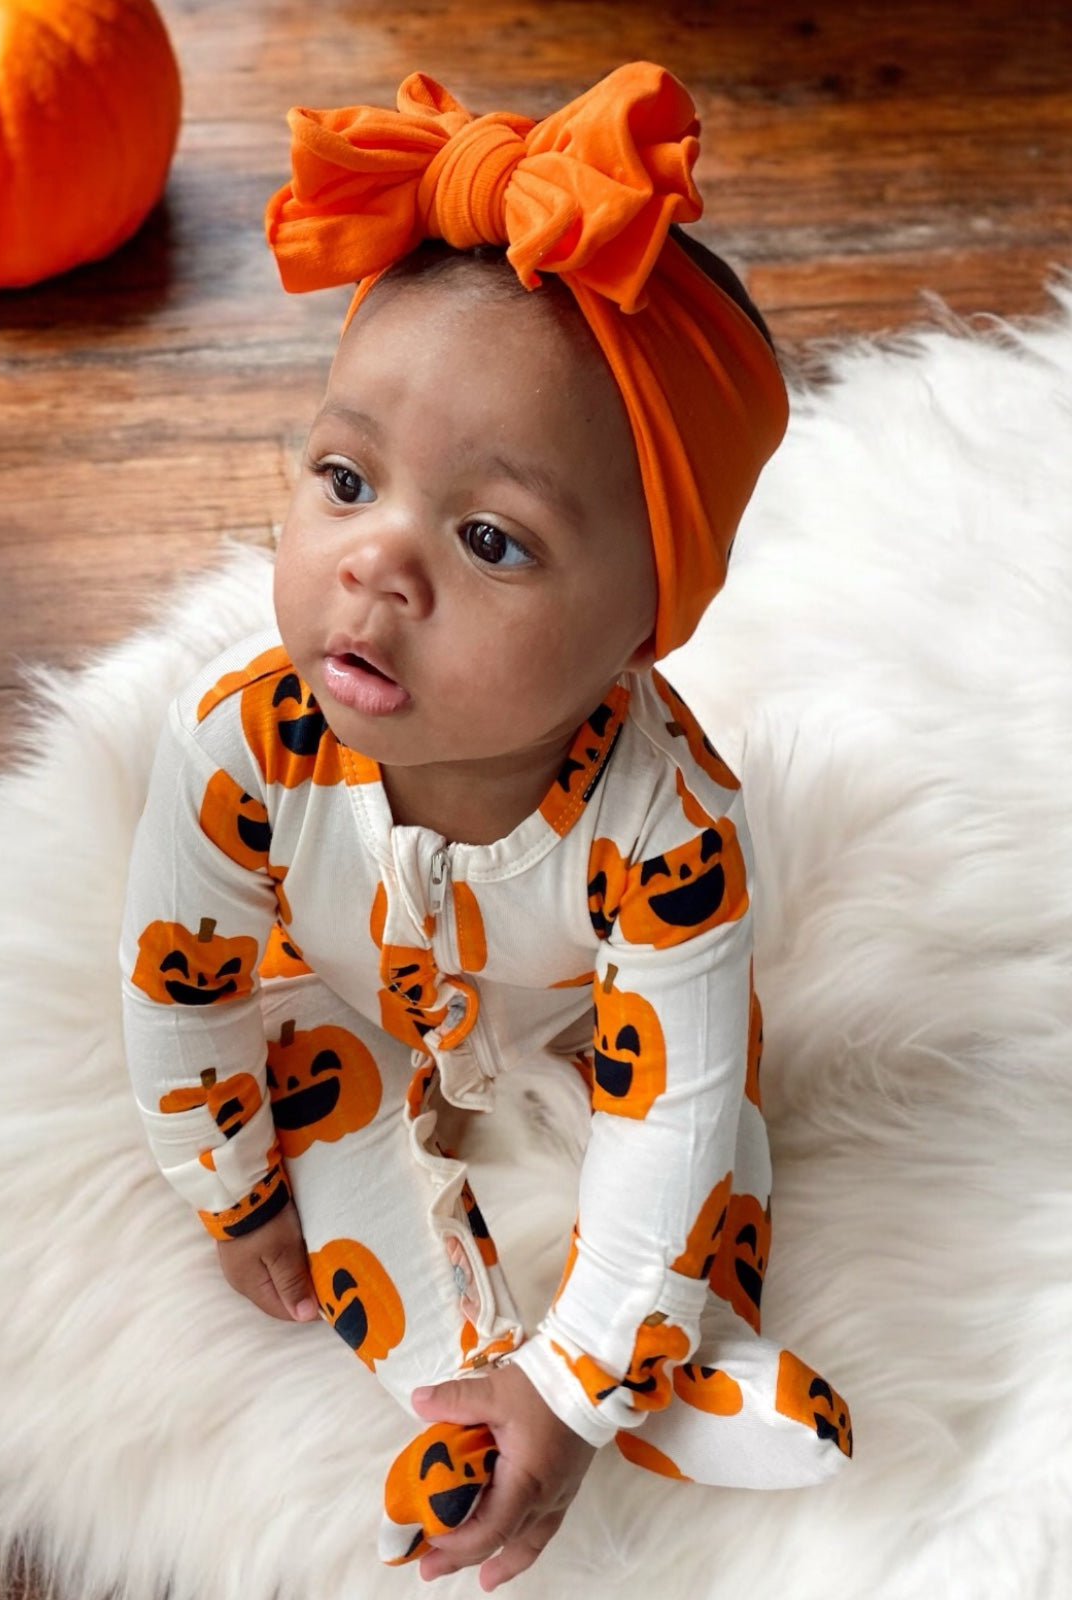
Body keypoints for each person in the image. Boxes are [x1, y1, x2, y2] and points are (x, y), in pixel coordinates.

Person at [120, 62, 852, 1591]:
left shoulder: (669, 835)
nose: (378, 562)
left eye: (491, 539)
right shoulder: (243, 744)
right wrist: (231, 1186)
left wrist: (582, 1375)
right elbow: (179, 989)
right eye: (346, 479)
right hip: (348, 1001)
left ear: (644, 626)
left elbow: (666, 1127)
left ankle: (662, 1367)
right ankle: (460, 1394)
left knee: (712, 1144)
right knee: (330, 1143)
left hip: (581, 1019)